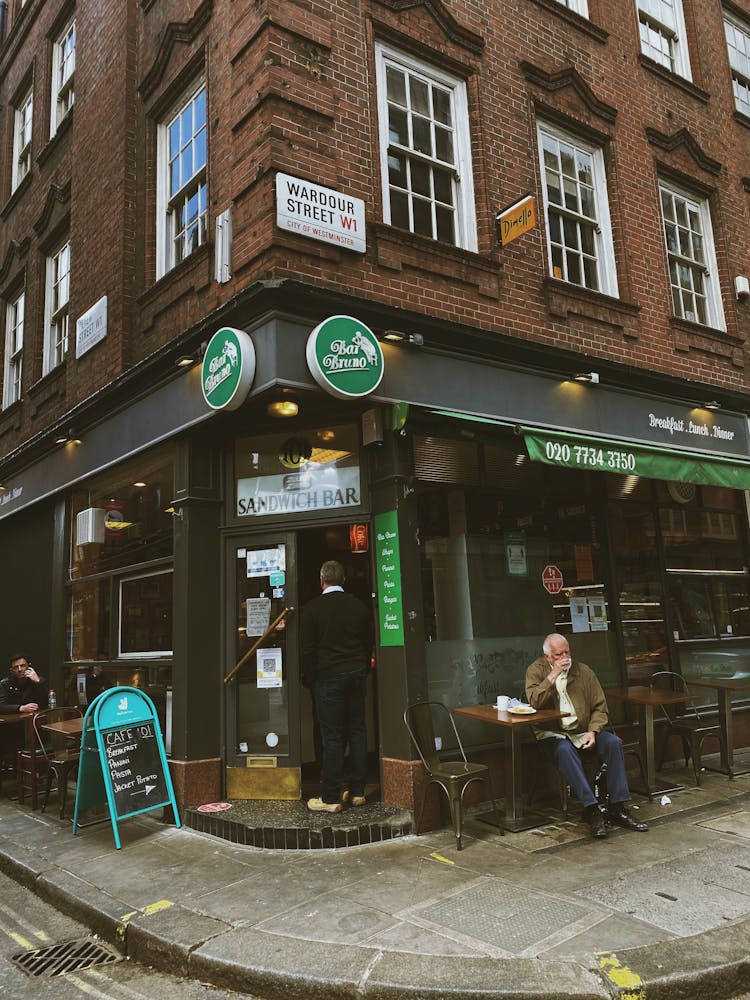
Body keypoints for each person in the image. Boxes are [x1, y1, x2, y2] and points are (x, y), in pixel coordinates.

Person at [525, 633, 648, 839]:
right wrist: (553, 675)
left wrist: (593, 731)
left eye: (567, 652)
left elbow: (600, 707)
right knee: (564, 750)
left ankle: (618, 807)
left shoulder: (583, 672)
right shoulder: (535, 671)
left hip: (583, 731)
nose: (565, 657)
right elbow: (534, 702)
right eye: (559, 654)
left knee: (614, 743)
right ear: (548, 657)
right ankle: (592, 810)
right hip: (553, 734)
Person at [300, 560, 373, 813]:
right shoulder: (359, 607)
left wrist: (310, 679)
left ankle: (331, 797)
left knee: (331, 737)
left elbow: (307, 651)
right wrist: (363, 668)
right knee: (357, 731)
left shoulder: (311, 609)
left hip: (328, 677)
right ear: (343, 580)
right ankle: (357, 792)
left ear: (322, 581)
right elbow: (368, 643)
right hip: (355, 673)